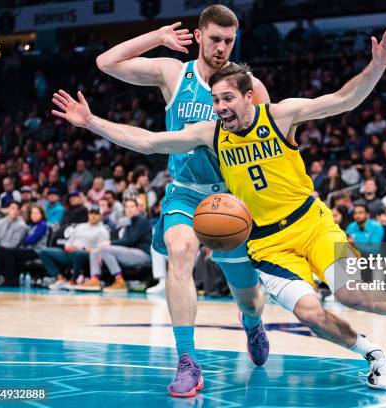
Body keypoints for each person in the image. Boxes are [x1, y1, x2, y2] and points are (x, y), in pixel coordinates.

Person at [52, 28, 386, 391]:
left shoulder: (281, 115)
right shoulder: (210, 132)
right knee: (309, 314)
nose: (219, 107)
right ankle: (372, 353)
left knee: (352, 294)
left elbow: (342, 100)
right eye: (215, 100)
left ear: (249, 96)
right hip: (267, 243)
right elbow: (152, 142)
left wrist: (377, 66)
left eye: (227, 99)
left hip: (311, 223)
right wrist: (92, 123)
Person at [95, 5, 272, 396]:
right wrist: (157, 39)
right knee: (179, 250)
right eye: (215, 39)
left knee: (249, 298)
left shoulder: (250, 88)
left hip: (232, 201)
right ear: (199, 35)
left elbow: (266, 147)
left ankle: (252, 322)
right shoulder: (174, 73)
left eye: (229, 40)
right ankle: (187, 360)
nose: (222, 47)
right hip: (185, 193)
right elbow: (106, 62)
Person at [82, 198, 152, 292]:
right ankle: (95, 279)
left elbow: (130, 241)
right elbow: (125, 242)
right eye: (127, 207)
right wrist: (101, 253)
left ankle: (119, 281)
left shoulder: (141, 221)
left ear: (137, 208)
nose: (129, 209)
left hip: (144, 254)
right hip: (131, 253)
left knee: (105, 248)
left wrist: (109, 243)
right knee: (95, 252)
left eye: (132, 206)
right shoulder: (129, 222)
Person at [39, 205, 109, 289]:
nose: (93, 216)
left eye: (96, 214)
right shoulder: (80, 226)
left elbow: (101, 250)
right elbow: (69, 242)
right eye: (91, 213)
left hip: (86, 256)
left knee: (79, 254)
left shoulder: (102, 231)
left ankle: (73, 280)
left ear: (101, 216)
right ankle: (59, 277)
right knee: (43, 252)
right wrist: (68, 246)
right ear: (88, 214)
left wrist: (83, 249)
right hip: (70, 253)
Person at [0, 204, 48, 286]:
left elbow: (32, 240)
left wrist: (25, 239)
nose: (34, 215)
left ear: (42, 214)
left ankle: (11, 280)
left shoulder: (43, 225)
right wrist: (26, 239)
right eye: (32, 213)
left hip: (37, 251)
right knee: (8, 251)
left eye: (37, 213)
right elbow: (28, 239)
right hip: (29, 250)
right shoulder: (31, 225)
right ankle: (10, 278)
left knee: (9, 252)